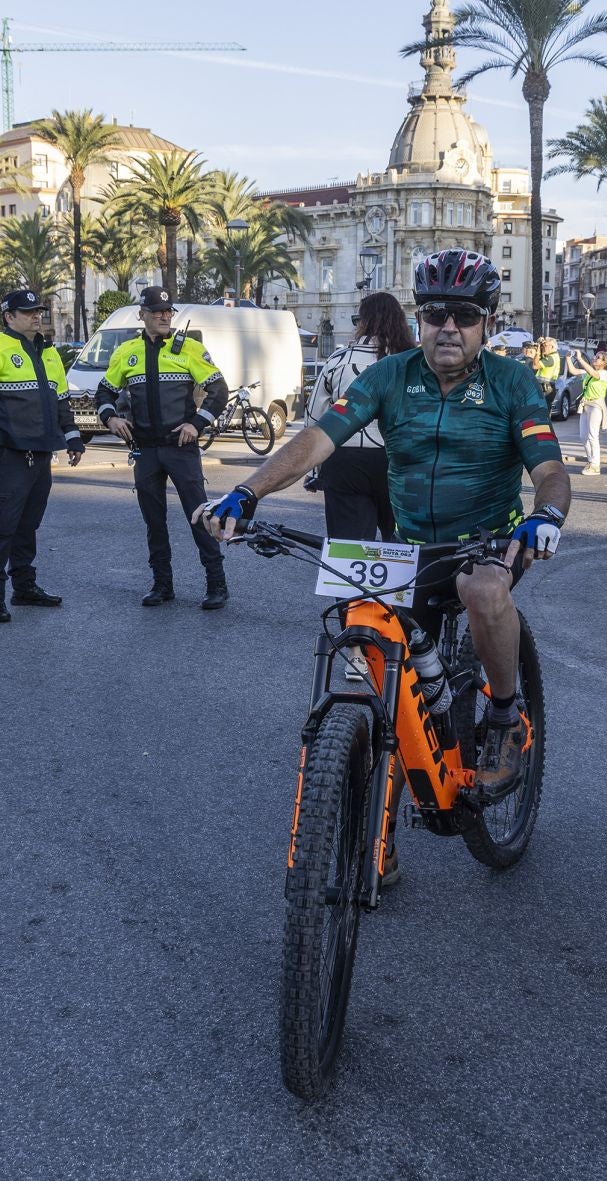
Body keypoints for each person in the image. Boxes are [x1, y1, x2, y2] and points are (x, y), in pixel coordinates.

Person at [195, 248, 570, 817]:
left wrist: (547, 515)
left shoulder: (513, 382)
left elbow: (548, 469)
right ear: (418, 317)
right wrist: (248, 493)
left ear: (485, 323)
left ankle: (503, 716)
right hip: (410, 546)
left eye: (465, 316)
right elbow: (318, 439)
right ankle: (374, 831)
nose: (449, 326)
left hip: (489, 539)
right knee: (378, 666)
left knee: (482, 589)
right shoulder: (389, 376)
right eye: (436, 312)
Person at [96, 286, 233, 610]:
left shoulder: (189, 349)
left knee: (200, 517)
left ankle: (217, 584)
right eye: (156, 311)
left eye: (168, 311)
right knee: (154, 522)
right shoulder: (126, 352)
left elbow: (219, 390)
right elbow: (103, 394)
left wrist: (196, 424)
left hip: (180, 448)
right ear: (142, 314)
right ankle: (161, 585)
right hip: (145, 450)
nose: (163, 316)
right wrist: (112, 419)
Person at [0, 288, 85, 624]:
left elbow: (61, 401)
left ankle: (24, 587)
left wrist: (72, 438)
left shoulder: (48, 353)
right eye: (28, 311)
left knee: (27, 525)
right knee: (1, 526)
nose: (36, 316)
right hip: (7, 455)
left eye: (38, 311)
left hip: (41, 454)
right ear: (9, 316)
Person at [305, 290, 409, 540]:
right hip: (399, 460)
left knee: (348, 548)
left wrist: (314, 470)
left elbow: (315, 417)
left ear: (363, 322)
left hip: (345, 458)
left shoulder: (339, 359)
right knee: (404, 547)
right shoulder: (411, 362)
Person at [575, 346, 607, 474]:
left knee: (592, 436)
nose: (595, 358)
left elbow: (593, 373)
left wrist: (581, 359)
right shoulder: (589, 372)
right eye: (595, 356)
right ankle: (591, 461)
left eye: (598, 358)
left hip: (596, 405)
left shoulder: (603, 373)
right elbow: (574, 371)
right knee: (582, 436)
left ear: (604, 363)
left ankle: (595, 465)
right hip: (586, 404)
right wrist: (571, 359)